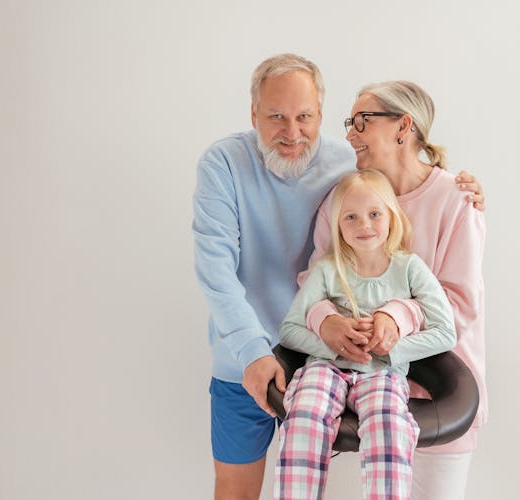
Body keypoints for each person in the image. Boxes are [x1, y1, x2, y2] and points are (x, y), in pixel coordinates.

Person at [192, 53, 485, 500]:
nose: (293, 132)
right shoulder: (237, 166)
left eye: (305, 116)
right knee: (238, 489)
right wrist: (298, 331)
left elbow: (455, 301)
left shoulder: (363, 173)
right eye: (276, 116)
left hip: (368, 369)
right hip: (259, 357)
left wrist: (393, 319)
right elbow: (229, 270)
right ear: (254, 114)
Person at [302, 80, 486, 500]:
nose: (350, 133)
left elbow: (459, 305)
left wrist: (393, 318)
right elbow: (315, 282)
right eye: (350, 122)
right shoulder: (341, 199)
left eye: (361, 121)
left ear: (404, 126)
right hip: (361, 392)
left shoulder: (457, 201)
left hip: (439, 399)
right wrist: (329, 320)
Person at [274, 169, 457, 500]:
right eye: (351, 217)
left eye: (374, 214)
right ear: (338, 225)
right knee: (304, 416)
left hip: (382, 373)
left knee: (389, 428)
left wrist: (391, 351)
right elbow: (289, 330)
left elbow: (446, 333)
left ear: (391, 217)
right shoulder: (328, 270)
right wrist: (333, 346)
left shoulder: (409, 268)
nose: (364, 225)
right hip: (325, 369)